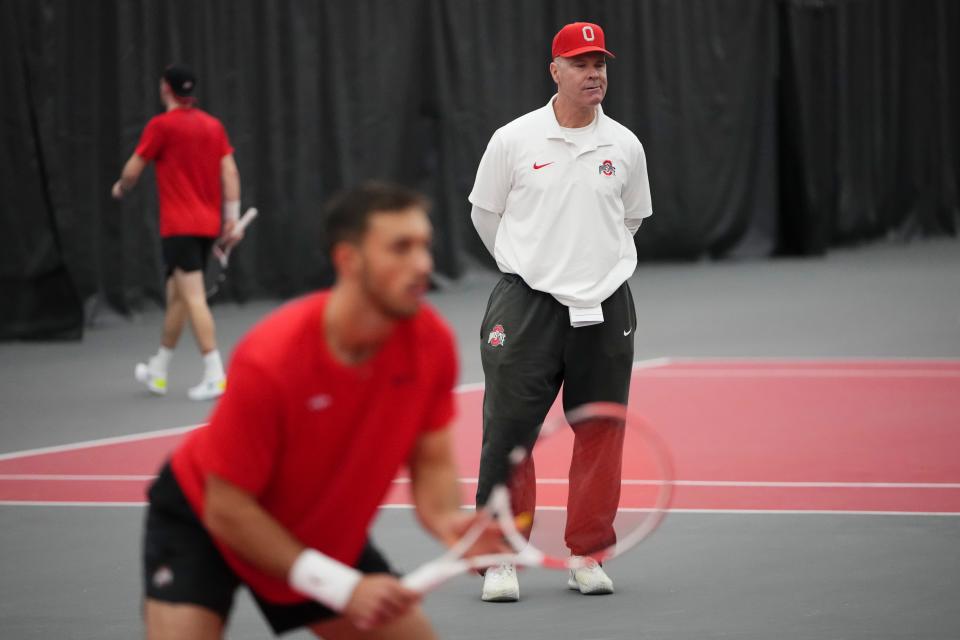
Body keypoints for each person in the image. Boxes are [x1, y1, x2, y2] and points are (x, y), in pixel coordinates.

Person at [142, 182, 495, 639]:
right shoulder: (273, 357)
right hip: (205, 519)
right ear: (348, 260)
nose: (423, 265)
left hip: (317, 529)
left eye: (425, 246)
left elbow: (431, 461)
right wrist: (341, 586)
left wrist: (447, 519)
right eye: (400, 248)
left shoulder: (431, 344)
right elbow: (226, 508)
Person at [468, 21, 654, 602]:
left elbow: (632, 219)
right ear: (555, 71)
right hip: (527, 305)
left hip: (606, 305)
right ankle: (501, 558)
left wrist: (594, 271)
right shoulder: (514, 140)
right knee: (509, 434)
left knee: (601, 430)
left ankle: (587, 554)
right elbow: (485, 213)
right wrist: (528, 267)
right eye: (580, 63)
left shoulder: (624, 145)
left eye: (600, 63)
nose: (593, 73)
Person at [112, 64, 242, 401]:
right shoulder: (213, 126)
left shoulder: (161, 126)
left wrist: (122, 188)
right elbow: (229, 172)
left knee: (193, 298)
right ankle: (159, 369)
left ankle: (215, 373)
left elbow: (133, 169)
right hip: (205, 227)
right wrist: (231, 217)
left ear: (166, 89)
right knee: (178, 298)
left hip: (180, 228)